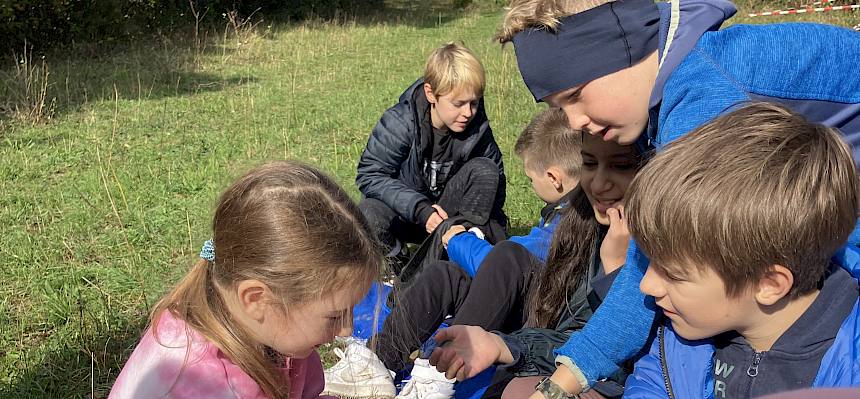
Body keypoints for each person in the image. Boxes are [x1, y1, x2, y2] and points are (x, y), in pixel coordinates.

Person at [465, 0, 860, 396]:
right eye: (557, 107)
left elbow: (653, 259)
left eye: (575, 96)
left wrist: (564, 381)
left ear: (622, 52)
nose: (573, 122)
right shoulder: (689, 66)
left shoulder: (705, 95)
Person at [323, 108, 589, 399]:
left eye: (530, 179)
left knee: (507, 255)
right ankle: (378, 362)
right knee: (445, 275)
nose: (531, 185)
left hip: (544, 320)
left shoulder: (575, 219)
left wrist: (459, 241)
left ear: (554, 178)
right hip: (531, 302)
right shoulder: (562, 211)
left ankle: (438, 375)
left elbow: (506, 266)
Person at [623, 103, 860, 397]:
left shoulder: (849, 369)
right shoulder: (677, 345)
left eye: (674, 275)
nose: (647, 285)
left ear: (769, 284)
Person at [109, 161, 385, 399]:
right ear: (256, 298)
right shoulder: (203, 384)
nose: (347, 330)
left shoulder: (271, 328)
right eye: (336, 315)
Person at [428, 129, 642, 399]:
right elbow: (573, 335)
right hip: (566, 363)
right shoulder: (586, 228)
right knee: (443, 275)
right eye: (588, 163)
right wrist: (504, 346)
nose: (599, 183)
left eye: (621, 165)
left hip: (617, 383)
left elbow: (621, 356)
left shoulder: (658, 243)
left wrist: (616, 273)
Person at [356, 42, 507, 272]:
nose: (468, 113)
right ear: (431, 94)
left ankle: (457, 257)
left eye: (474, 103)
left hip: (450, 217)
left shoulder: (477, 127)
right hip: (408, 213)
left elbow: (495, 184)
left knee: (485, 170)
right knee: (368, 213)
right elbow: (369, 175)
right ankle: (400, 265)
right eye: (458, 104)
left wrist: (494, 234)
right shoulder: (401, 122)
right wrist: (420, 208)